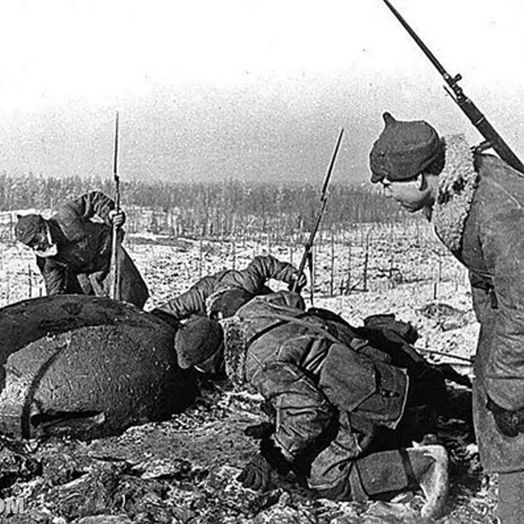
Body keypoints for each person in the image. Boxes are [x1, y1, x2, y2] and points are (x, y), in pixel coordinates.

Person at [369, 112, 524, 523]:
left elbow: (523, 308)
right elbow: (489, 275)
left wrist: (508, 387)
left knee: (513, 424)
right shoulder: (460, 195)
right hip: (512, 316)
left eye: (387, 183)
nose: (385, 193)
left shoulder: (497, 213)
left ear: (420, 179)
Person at [174, 291, 451, 520]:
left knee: (326, 479)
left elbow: (309, 412)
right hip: (366, 362)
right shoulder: (253, 309)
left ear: (210, 362)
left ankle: (424, 464)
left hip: (364, 394)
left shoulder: (258, 365)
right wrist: (276, 420)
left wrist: (271, 455)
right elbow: (292, 301)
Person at [14, 191, 149, 308]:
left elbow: (93, 199)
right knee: (80, 307)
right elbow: (54, 289)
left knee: (126, 302)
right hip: (85, 272)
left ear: (43, 228)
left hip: (108, 255)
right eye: (31, 245)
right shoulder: (46, 259)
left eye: (36, 240)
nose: (36, 247)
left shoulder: (67, 216)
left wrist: (110, 213)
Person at [151, 255, 307, 323]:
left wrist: (291, 275)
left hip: (259, 301)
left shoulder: (247, 282)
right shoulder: (200, 294)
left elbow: (264, 264)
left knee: (288, 308)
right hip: (217, 304)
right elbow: (172, 308)